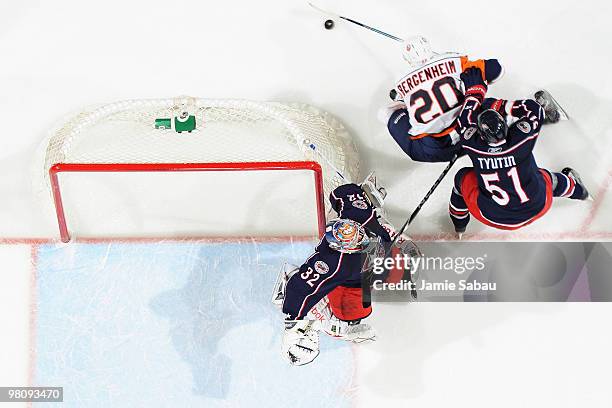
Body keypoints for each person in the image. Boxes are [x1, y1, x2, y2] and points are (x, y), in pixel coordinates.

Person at [273, 183, 415, 365]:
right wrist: (294, 320)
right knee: (348, 313)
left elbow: (341, 193)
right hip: (353, 282)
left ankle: (386, 231)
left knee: (401, 270)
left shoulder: (358, 217)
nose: (361, 240)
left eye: (359, 237)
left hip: (374, 261)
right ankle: (346, 321)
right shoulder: (335, 262)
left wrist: (362, 195)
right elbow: (300, 287)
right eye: (357, 243)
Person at [448, 67, 589, 236]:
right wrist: (499, 106)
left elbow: (464, 120)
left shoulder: (472, 144)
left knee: (460, 179)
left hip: (491, 216)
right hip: (538, 206)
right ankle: (580, 192)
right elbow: (534, 109)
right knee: (547, 179)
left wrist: (474, 94)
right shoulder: (521, 140)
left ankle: (459, 225)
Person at [378, 36, 503, 162]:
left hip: (432, 151)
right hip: (473, 134)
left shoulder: (400, 81)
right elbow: (497, 69)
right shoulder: (454, 60)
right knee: (485, 102)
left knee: (385, 113)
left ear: (406, 59)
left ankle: (404, 105)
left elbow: (395, 95)